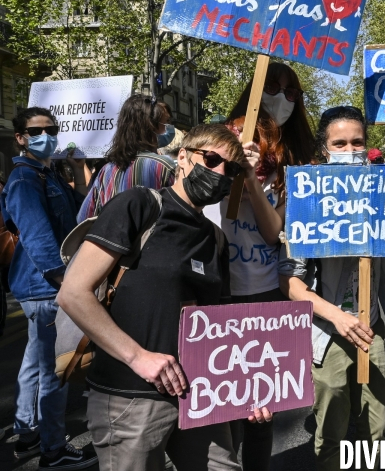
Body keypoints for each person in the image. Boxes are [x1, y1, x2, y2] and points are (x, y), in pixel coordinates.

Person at [57, 125, 272, 471]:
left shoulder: (215, 239)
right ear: (183, 157)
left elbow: (222, 329)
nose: (219, 173)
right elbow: (73, 293)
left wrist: (242, 390)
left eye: (230, 169)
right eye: (212, 159)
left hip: (200, 397)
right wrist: (138, 357)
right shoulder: (139, 205)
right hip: (130, 398)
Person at [278, 106, 385, 471]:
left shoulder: (383, 193)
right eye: (340, 143)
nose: (350, 149)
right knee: (333, 428)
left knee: (377, 425)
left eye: (357, 142)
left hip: (373, 328)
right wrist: (337, 318)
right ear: (324, 149)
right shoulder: (306, 198)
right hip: (327, 332)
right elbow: (292, 283)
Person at [203, 62, 314, 471]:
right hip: (219, 290)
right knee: (220, 405)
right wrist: (230, 165)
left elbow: (274, 233)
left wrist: (252, 180)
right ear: (254, 90)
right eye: (273, 87)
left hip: (267, 290)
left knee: (261, 408)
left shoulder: (295, 156)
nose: (282, 97)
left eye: (291, 92)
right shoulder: (221, 138)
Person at [0, 107, 97, 469]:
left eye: (52, 129)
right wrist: (63, 281)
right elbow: (38, 236)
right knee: (56, 369)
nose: (47, 136)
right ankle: (53, 450)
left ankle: (28, 436)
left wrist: (76, 169)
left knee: (34, 364)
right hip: (44, 288)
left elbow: (79, 210)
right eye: (37, 131)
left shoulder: (47, 173)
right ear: (21, 138)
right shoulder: (25, 180)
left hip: (42, 287)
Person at [77, 94, 176, 221]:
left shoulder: (107, 169)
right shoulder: (165, 166)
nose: (169, 127)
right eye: (165, 122)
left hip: (112, 238)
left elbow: (84, 217)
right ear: (151, 126)